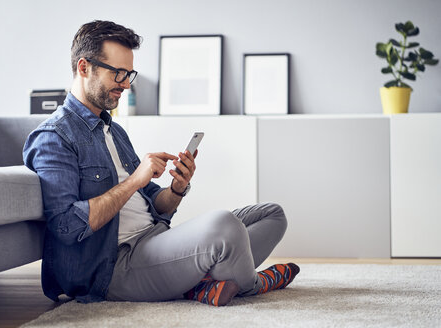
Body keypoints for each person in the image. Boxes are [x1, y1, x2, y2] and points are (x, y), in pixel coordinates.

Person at [23, 20, 299, 307]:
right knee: (224, 226)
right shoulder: (53, 137)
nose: (126, 84)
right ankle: (252, 284)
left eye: (129, 74)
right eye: (118, 73)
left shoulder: (113, 130)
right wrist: (134, 181)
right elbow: (65, 227)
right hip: (114, 267)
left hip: (156, 239)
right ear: (84, 68)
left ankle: (204, 283)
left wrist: (177, 189)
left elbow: (155, 204)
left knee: (271, 215)